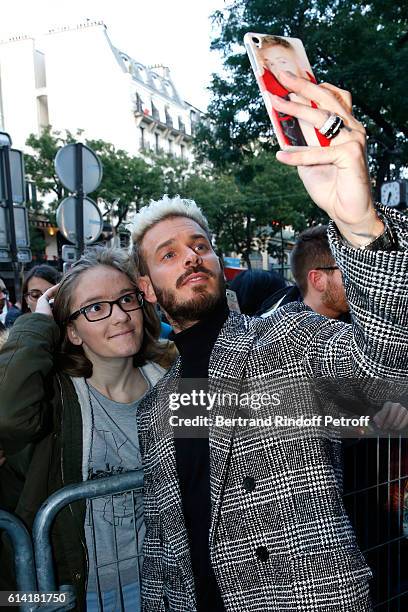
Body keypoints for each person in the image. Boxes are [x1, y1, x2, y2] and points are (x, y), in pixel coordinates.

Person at [129, 72, 408, 612]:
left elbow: (388, 367)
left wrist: (359, 226)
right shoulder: (156, 406)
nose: (190, 256)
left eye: (199, 245)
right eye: (167, 254)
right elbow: (164, 547)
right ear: (146, 288)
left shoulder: (284, 338)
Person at [0, 247, 173, 611]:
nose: (120, 316)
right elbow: (7, 416)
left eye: (127, 299)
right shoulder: (53, 394)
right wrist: (38, 322)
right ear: (73, 332)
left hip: (168, 582)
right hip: (80, 591)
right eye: (95, 308)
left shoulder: (171, 381)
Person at [256, 35, 329, 147]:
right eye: (271, 64)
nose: (278, 70)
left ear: (297, 61)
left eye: (282, 62)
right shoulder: (280, 99)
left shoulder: (325, 98)